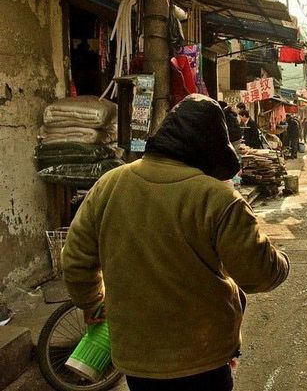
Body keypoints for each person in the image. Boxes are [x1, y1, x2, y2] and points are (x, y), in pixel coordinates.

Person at [61, 94, 289, 391]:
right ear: (211, 150)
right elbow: (259, 274)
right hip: (203, 355)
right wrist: (282, 262)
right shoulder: (218, 199)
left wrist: (91, 302)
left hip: (137, 357)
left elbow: (76, 260)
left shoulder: (109, 184)